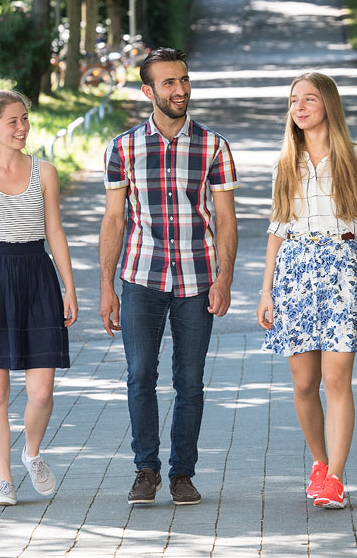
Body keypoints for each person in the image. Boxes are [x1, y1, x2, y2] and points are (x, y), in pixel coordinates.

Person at [98, 47, 238, 506]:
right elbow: (114, 220)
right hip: (141, 276)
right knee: (139, 374)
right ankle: (146, 469)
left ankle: (182, 474)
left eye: (183, 80)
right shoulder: (122, 148)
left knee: (190, 381)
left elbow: (226, 220)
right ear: (148, 91)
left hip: (198, 280)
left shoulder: (214, 145)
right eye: (168, 83)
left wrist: (224, 278)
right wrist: (106, 286)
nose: (179, 90)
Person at [257, 72, 357, 510]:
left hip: (344, 270)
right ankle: (319, 462)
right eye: (294, 101)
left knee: (335, 379)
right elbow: (277, 227)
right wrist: (266, 290)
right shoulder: (286, 161)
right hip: (295, 270)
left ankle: (336, 478)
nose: (300, 107)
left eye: (309, 99)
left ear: (328, 103)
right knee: (304, 381)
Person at [0, 90, 78, 507]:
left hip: (38, 277)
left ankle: (32, 453)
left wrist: (68, 287)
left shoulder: (46, 172)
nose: (22, 127)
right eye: (13, 122)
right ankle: (4, 480)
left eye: (25, 119)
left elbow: (55, 232)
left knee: (41, 391)